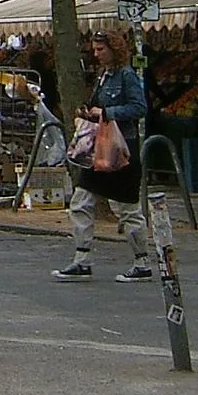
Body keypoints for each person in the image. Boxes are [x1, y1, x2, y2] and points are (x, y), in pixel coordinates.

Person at [54, 34, 152, 283]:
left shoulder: (126, 75)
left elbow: (139, 107)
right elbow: (98, 105)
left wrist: (108, 112)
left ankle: (142, 262)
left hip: (122, 150)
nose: (96, 54)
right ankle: (82, 259)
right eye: (94, 49)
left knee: (128, 207)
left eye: (100, 49)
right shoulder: (103, 75)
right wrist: (88, 111)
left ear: (113, 49)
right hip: (99, 149)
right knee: (81, 200)